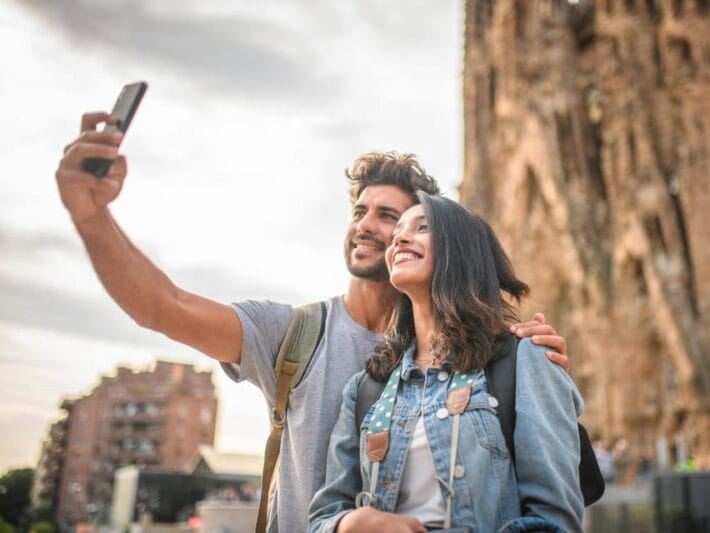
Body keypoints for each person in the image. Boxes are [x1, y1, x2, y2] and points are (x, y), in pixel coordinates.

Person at [55, 112, 572, 533]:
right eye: (361, 211)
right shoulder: (297, 337)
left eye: (392, 217)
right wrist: (90, 214)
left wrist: (526, 365)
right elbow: (164, 307)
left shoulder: (495, 359)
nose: (369, 226)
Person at [308, 193, 584, 533]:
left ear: (462, 250)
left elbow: (555, 519)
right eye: (396, 236)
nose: (400, 239)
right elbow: (322, 516)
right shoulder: (365, 389)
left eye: (422, 227)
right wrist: (349, 524)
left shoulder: (526, 358)